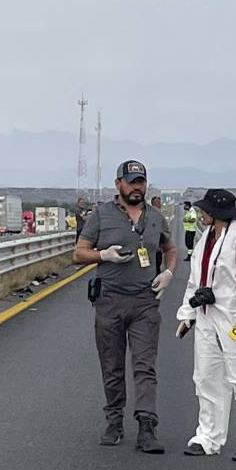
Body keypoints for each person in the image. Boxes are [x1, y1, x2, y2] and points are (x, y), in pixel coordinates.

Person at [73, 160, 177, 454]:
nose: (137, 187)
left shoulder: (155, 217)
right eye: (131, 182)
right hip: (110, 300)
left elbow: (169, 248)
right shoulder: (101, 215)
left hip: (145, 301)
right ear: (118, 183)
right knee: (112, 363)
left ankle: (146, 425)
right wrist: (102, 255)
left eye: (141, 182)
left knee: (145, 366)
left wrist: (168, 273)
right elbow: (78, 253)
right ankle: (114, 421)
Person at [176, 189, 236, 462]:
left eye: (205, 211)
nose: (201, 214)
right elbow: (196, 281)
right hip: (207, 317)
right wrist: (187, 314)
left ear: (215, 214)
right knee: (206, 379)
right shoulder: (206, 239)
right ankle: (208, 437)